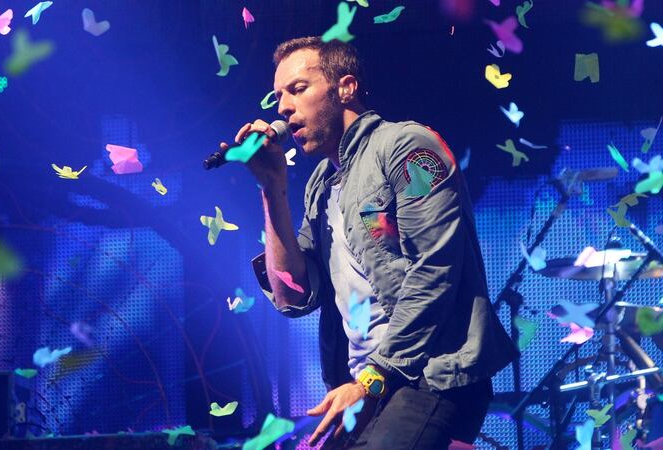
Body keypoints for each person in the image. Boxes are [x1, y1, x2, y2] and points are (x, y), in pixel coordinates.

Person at [219, 36, 519, 449]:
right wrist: (271, 188)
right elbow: (293, 294)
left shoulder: (408, 148)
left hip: (431, 375)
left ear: (346, 87)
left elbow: (434, 271)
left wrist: (373, 377)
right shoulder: (320, 186)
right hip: (368, 384)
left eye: (298, 89)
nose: (283, 108)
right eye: (278, 97)